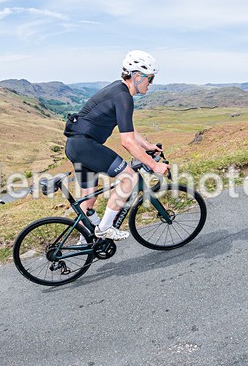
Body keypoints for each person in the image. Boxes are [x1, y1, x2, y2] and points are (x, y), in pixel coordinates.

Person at [63, 50, 169, 240]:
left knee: (89, 198)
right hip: (86, 146)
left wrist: (146, 145)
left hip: (75, 146)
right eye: (150, 79)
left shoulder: (118, 90)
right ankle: (104, 228)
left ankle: (84, 240)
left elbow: (130, 130)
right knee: (130, 178)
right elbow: (127, 141)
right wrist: (154, 165)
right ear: (137, 77)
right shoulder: (124, 97)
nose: (150, 84)